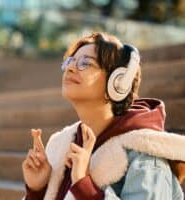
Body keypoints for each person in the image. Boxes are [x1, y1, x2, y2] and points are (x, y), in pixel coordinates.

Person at [21, 32, 185, 200]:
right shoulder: (61, 145)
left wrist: (85, 186)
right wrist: (37, 191)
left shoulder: (146, 157)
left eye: (86, 63)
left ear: (118, 82)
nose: (70, 68)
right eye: (70, 61)